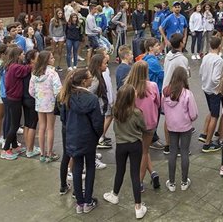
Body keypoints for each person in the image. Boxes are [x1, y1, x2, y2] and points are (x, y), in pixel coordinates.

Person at [102, 84, 148, 219]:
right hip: (135, 145)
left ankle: (114, 195)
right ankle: (138, 206)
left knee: (120, 171)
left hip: (121, 145)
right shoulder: (137, 112)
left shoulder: (116, 110)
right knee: (135, 174)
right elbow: (144, 127)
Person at [63, 68, 103, 214]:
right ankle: (88, 200)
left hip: (73, 136)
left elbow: (63, 117)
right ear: (84, 81)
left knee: (77, 168)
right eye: (90, 77)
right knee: (90, 167)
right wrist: (97, 136)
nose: (92, 78)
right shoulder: (91, 99)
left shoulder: (67, 96)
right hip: (88, 138)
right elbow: (98, 123)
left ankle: (79, 202)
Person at [125, 60, 161, 192]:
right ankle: (147, 176)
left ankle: (142, 179)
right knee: (145, 151)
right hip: (150, 123)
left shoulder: (129, 87)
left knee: (140, 152)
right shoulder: (153, 86)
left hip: (134, 124)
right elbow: (158, 103)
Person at [162, 66, 198, 192]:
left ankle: (171, 183)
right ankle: (184, 181)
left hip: (171, 126)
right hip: (185, 126)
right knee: (184, 152)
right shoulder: (187, 94)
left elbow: (163, 109)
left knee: (172, 153)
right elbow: (193, 114)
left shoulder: (166, 92)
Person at [29, 50, 62, 162]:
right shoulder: (53, 73)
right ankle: (49, 153)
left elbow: (31, 91)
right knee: (50, 128)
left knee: (42, 127)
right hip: (51, 103)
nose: (53, 59)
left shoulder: (35, 73)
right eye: (51, 58)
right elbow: (58, 90)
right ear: (47, 60)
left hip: (39, 103)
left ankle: (42, 153)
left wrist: (39, 97)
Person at [1, 46, 33, 160]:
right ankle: (5, 149)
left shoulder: (10, 66)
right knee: (14, 125)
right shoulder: (16, 67)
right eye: (22, 54)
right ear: (18, 56)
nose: (24, 55)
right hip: (15, 99)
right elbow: (28, 68)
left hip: (10, 98)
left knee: (14, 123)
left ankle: (14, 146)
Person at [199, 36, 223, 152]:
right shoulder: (218, 60)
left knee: (211, 111)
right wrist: (220, 87)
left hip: (206, 88)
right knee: (215, 115)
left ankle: (204, 134)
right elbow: (216, 78)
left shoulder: (206, 57)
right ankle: (208, 143)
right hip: (214, 90)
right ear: (219, 46)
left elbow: (201, 72)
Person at [87, 53, 114, 150]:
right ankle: (92, 156)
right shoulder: (95, 80)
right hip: (96, 110)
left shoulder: (99, 76)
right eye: (105, 63)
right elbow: (89, 94)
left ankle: (93, 154)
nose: (106, 65)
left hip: (100, 109)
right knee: (93, 134)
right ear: (98, 65)